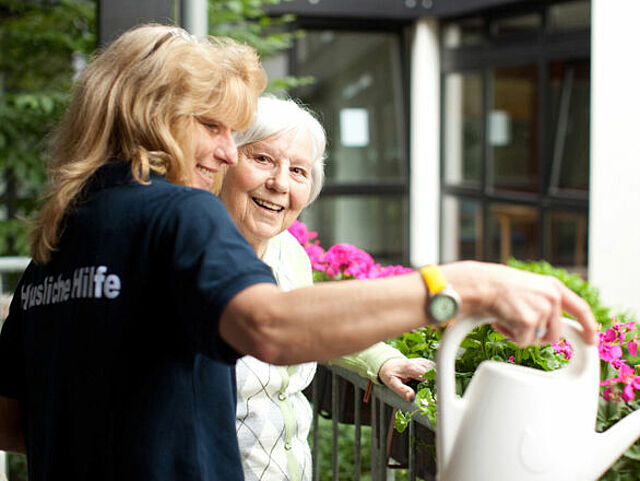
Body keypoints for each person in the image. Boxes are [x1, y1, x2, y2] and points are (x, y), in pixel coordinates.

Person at [0, 23, 598, 481]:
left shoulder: (61, 239)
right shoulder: (179, 212)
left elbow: (13, 422)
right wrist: (462, 287)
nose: (229, 152)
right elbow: (270, 327)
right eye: (213, 126)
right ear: (153, 116)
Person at [215, 96, 432, 481]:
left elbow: (309, 322)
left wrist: (380, 361)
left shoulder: (288, 253)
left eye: (298, 170)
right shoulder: (194, 253)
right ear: (225, 160)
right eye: (263, 159)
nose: (280, 183)